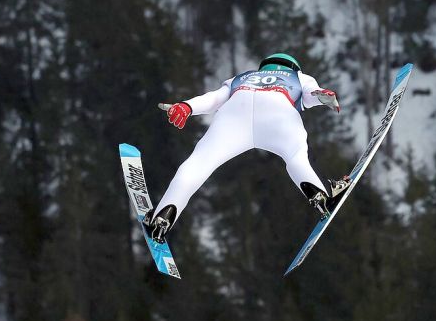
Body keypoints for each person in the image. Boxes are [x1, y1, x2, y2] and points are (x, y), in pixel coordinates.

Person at [144, 53, 350, 242]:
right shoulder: (299, 77)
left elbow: (214, 99)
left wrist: (186, 106)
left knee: (199, 163)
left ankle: (164, 215)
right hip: (277, 112)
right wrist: (323, 95)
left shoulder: (242, 77)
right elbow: (311, 95)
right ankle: (321, 194)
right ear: (295, 67)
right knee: (296, 157)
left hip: (234, 114)